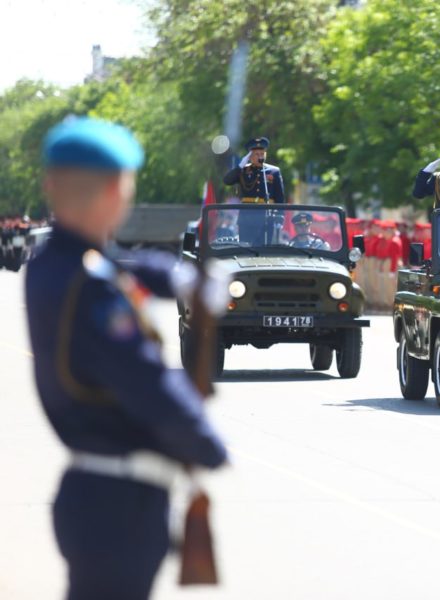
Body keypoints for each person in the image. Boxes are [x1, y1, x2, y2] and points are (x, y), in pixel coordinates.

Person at [27, 117, 229, 600]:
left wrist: (176, 276)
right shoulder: (94, 291)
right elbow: (149, 384)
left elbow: (111, 262)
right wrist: (207, 445)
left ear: (50, 185)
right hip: (119, 505)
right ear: (118, 191)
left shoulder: (54, 266)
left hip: (97, 497)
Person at [223, 137, 286, 245]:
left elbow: (280, 197)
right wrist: (240, 166)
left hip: (266, 218)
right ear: (250, 156)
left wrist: (280, 216)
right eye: (256, 154)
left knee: (264, 252)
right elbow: (227, 180)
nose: (260, 157)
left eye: (262, 153)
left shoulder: (274, 171)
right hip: (247, 218)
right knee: (246, 251)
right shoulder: (243, 170)